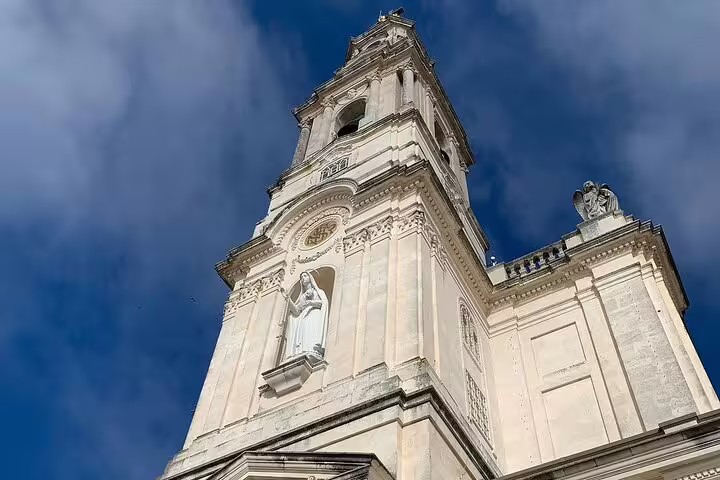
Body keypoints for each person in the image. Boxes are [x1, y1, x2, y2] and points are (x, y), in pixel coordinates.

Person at [279, 271, 329, 360]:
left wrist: (312, 303)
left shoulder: (318, 291)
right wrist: (288, 299)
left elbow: (324, 303)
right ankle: (301, 351)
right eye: (301, 277)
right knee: (304, 334)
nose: (303, 278)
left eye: (305, 276)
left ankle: (313, 350)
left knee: (312, 332)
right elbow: (297, 311)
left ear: (310, 278)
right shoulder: (302, 297)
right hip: (304, 317)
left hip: (314, 314)